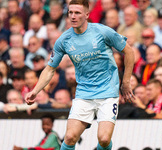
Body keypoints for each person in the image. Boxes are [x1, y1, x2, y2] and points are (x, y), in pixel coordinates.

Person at [25, 0, 135, 150]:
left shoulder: (102, 32)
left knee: (103, 139)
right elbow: (50, 68)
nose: (73, 16)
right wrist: (35, 91)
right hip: (84, 93)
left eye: (77, 12)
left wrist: (126, 81)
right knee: (69, 137)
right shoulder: (64, 40)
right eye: (70, 12)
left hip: (108, 91)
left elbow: (128, 51)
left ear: (87, 14)